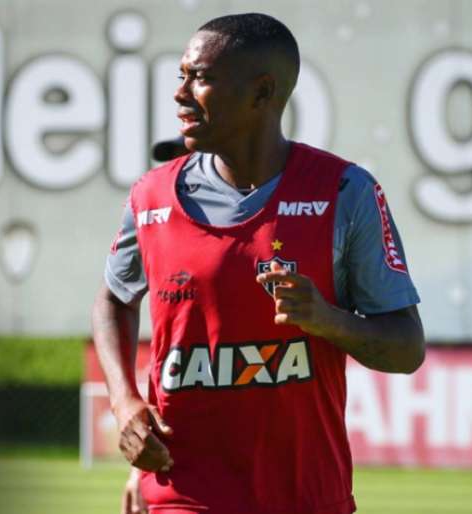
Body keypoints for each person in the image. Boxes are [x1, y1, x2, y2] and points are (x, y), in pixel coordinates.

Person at [91, 12, 425, 514]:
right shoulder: (150, 197)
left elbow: (406, 349)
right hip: (182, 494)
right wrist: (125, 403)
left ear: (263, 93)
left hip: (306, 497)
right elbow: (113, 300)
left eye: (200, 77)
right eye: (181, 75)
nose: (180, 93)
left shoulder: (344, 192)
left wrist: (328, 320)